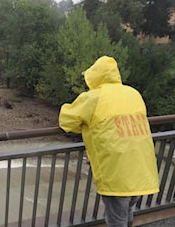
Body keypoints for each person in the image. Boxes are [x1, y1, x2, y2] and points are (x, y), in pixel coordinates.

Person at [58, 56, 159, 227]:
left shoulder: (93, 98)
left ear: (95, 76)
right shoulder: (134, 93)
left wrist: (86, 126)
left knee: (116, 219)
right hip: (141, 168)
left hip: (117, 172)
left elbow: (66, 121)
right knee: (127, 211)